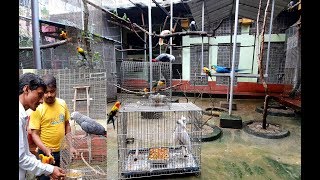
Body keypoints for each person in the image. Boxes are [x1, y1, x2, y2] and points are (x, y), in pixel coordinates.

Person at [29, 74, 77, 180]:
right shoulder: (38, 107)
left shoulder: (62, 103)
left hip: (62, 150)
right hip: (45, 153)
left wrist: (71, 146)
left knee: (61, 176)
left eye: (52, 91)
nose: (49, 95)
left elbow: (67, 125)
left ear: (56, 90)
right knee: (44, 178)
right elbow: (34, 134)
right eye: (46, 92)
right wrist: (45, 149)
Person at [19, 72, 66, 180]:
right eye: (40, 95)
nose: (41, 100)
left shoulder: (23, 115)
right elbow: (21, 158)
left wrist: (47, 168)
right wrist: (49, 169)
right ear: (26, 89)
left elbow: (25, 154)